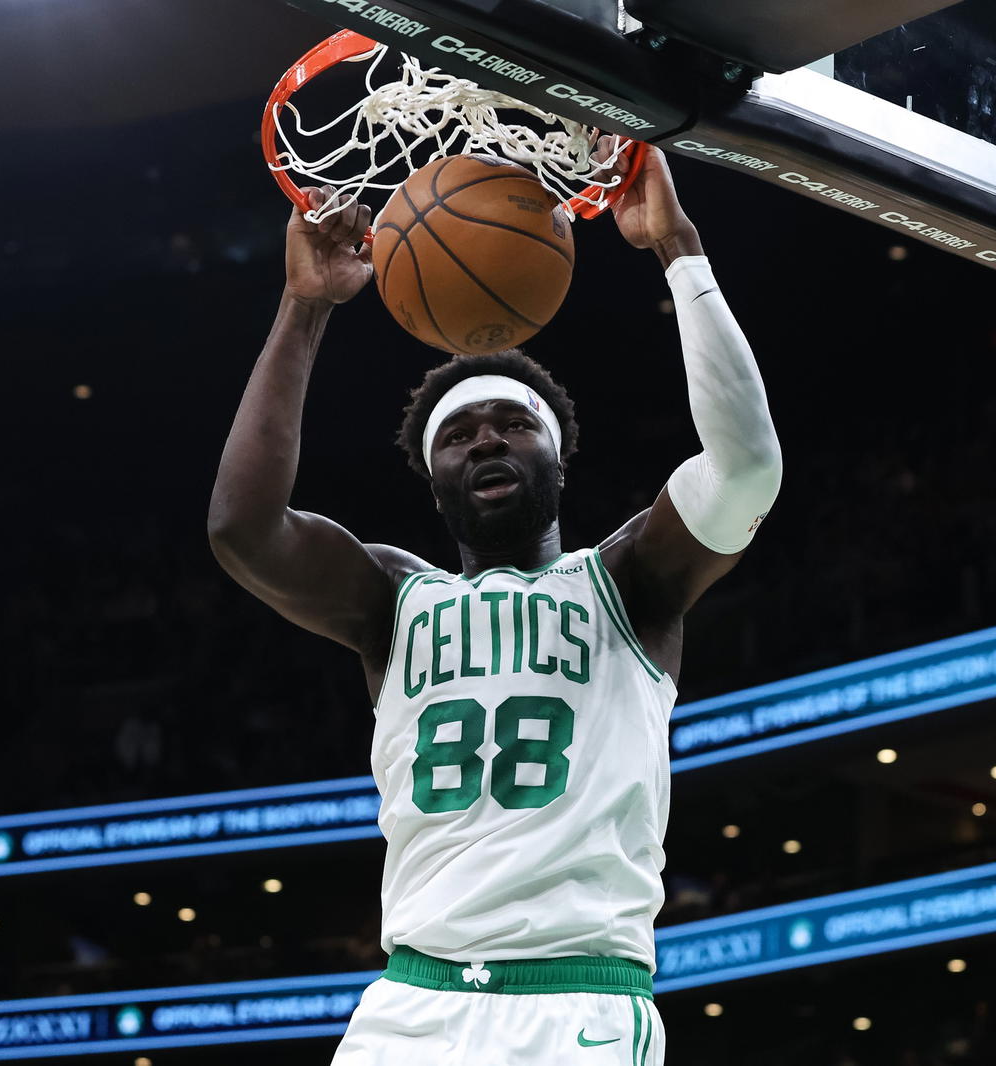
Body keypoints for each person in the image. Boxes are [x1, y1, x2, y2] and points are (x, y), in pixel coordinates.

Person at [207, 146, 782, 1065]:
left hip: (575, 1001)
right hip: (411, 1003)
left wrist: (680, 250)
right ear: (432, 479)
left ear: (557, 457)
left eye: (514, 425)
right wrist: (306, 303)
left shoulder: (629, 583)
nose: (485, 443)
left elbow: (748, 468)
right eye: (459, 435)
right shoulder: (394, 599)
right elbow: (243, 528)